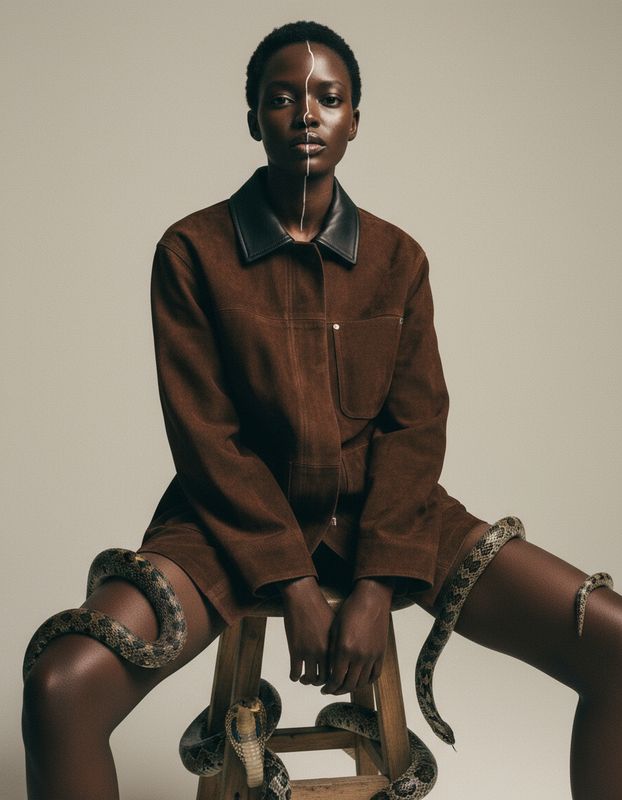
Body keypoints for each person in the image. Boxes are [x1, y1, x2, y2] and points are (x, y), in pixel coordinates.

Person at [21, 20, 622, 800]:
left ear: (354, 121)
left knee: (613, 643)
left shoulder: (398, 260)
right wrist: (294, 584)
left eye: (328, 98)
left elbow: (416, 427)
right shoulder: (191, 254)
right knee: (62, 688)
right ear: (253, 119)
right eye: (282, 98)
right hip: (225, 525)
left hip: (390, 517)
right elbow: (210, 442)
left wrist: (375, 584)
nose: (307, 113)